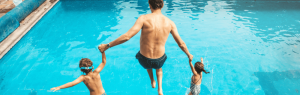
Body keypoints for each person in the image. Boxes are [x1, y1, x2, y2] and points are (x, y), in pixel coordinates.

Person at [98, 0, 193, 94]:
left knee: (147, 64)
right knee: (159, 68)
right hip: (159, 60)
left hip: (144, 59)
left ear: (149, 5)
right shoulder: (170, 23)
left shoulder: (143, 19)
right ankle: (160, 89)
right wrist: (189, 54)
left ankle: (152, 80)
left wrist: (108, 45)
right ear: (162, 5)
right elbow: (181, 44)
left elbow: (127, 37)